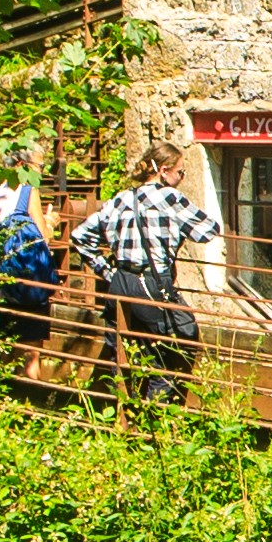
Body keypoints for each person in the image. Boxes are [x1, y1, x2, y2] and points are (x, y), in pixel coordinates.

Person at [71, 148, 222, 396]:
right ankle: (156, 420)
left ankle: (122, 415)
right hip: (152, 283)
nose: (182, 178)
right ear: (164, 171)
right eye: (181, 172)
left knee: (121, 351)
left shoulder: (120, 199)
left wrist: (106, 271)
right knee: (170, 350)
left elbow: (80, 236)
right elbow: (208, 230)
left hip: (120, 281)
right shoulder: (170, 198)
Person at [0, 175, 68, 362]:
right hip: (26, 285)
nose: (39, 172)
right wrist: (50, 222)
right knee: (31, 357)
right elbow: (43, 239)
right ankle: (31, 389)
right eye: (38, 166)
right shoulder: (28, 190)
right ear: (22, 164)